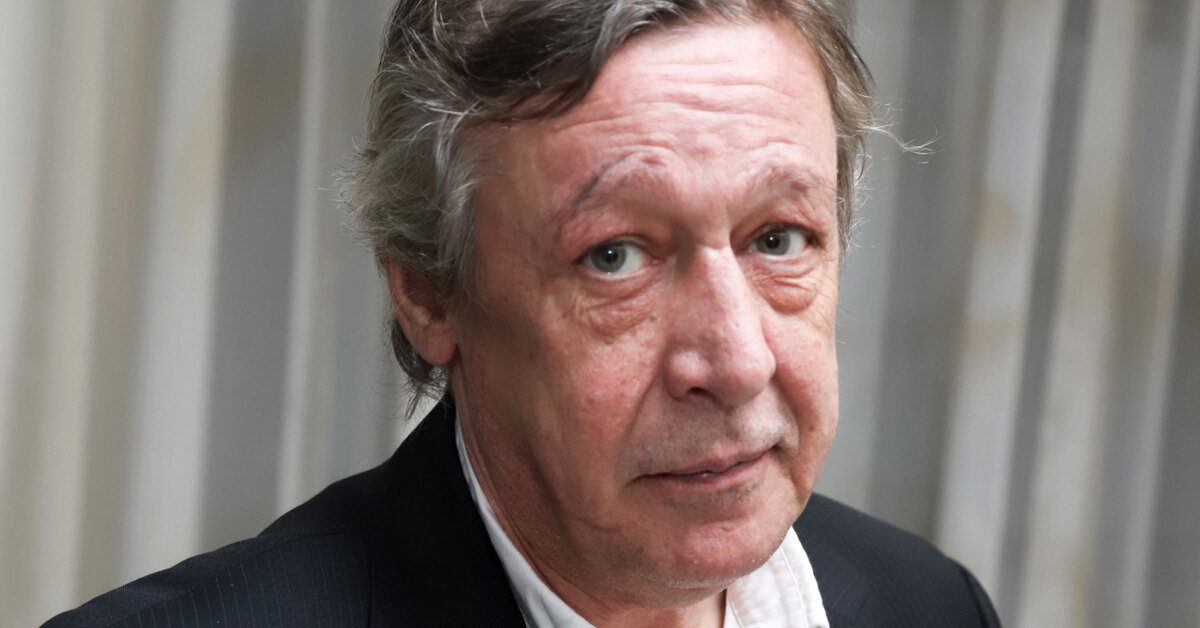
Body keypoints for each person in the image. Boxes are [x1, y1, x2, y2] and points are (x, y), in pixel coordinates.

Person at [47, 1, 1000, 626]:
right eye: (615, 256)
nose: (738, 362)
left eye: (779, 238)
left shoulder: (930, 605)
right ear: (428, 291)